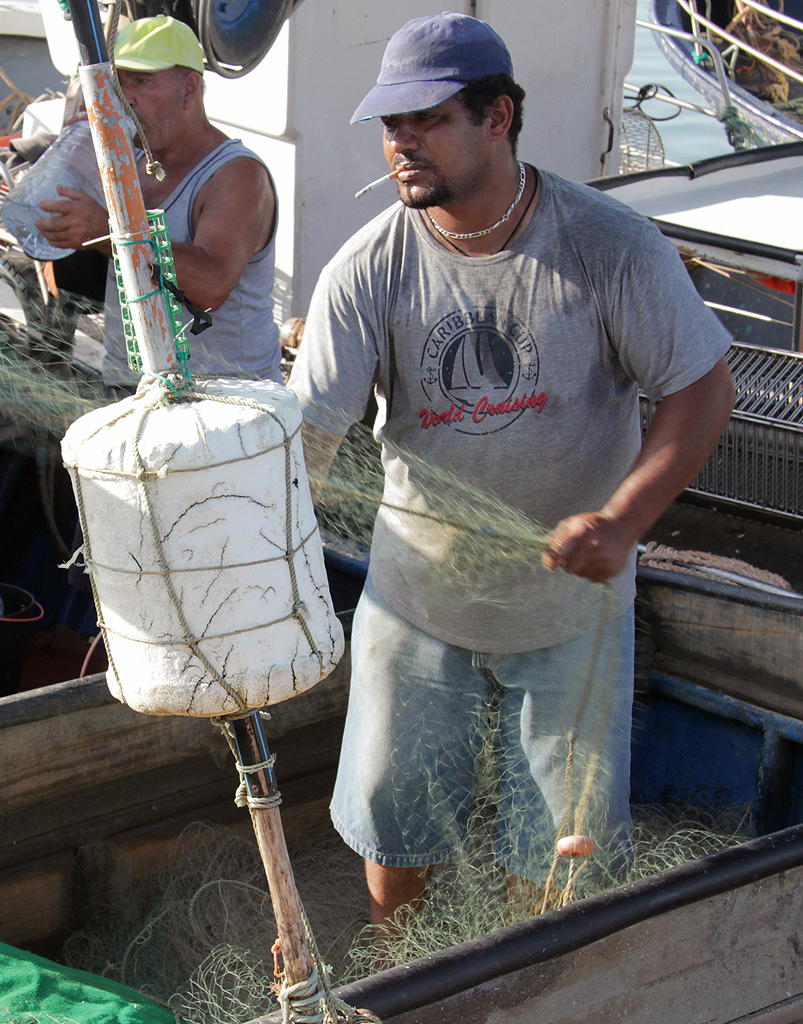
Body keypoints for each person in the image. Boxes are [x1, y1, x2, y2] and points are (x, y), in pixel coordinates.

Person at [285, 12, 736, 941]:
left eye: (427, 120)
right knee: (395, 834)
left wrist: (621, 521)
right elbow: (308, 442)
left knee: (554, 865)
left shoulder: (609, 245)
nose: (401, 143)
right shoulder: (367, 268)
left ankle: (529, 981)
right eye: (390, 125)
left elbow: (703, 390)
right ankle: (393, 966)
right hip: (417, 605)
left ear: (500, 117)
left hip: (570, 617)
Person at [33, 15, 282, 387]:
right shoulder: (127, 159)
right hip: (131, 388)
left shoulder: (237, 175)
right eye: (118, 82)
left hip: (225, 405)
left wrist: (105, 229)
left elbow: (211, 286)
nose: (125, 96)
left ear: (189, 89)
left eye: (142, 81)